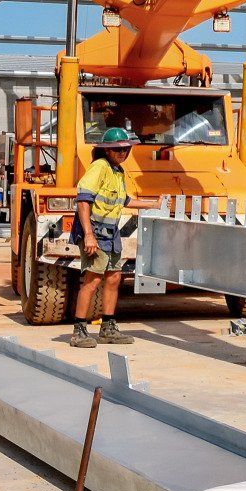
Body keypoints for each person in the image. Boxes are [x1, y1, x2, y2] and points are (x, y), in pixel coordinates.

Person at [71, 127, 145, 349]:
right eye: (117, 149)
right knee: (93, 280)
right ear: (107, 150)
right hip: (95, 231)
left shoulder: (117, 171)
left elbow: (123, 200)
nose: (122, 153)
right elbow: (84, 201)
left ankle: (108, 327)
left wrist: (155, 204)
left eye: (125, 149)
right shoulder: (99, 167)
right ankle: (79, 330)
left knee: (114, 278)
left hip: (111, 233)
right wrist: (89, 235)